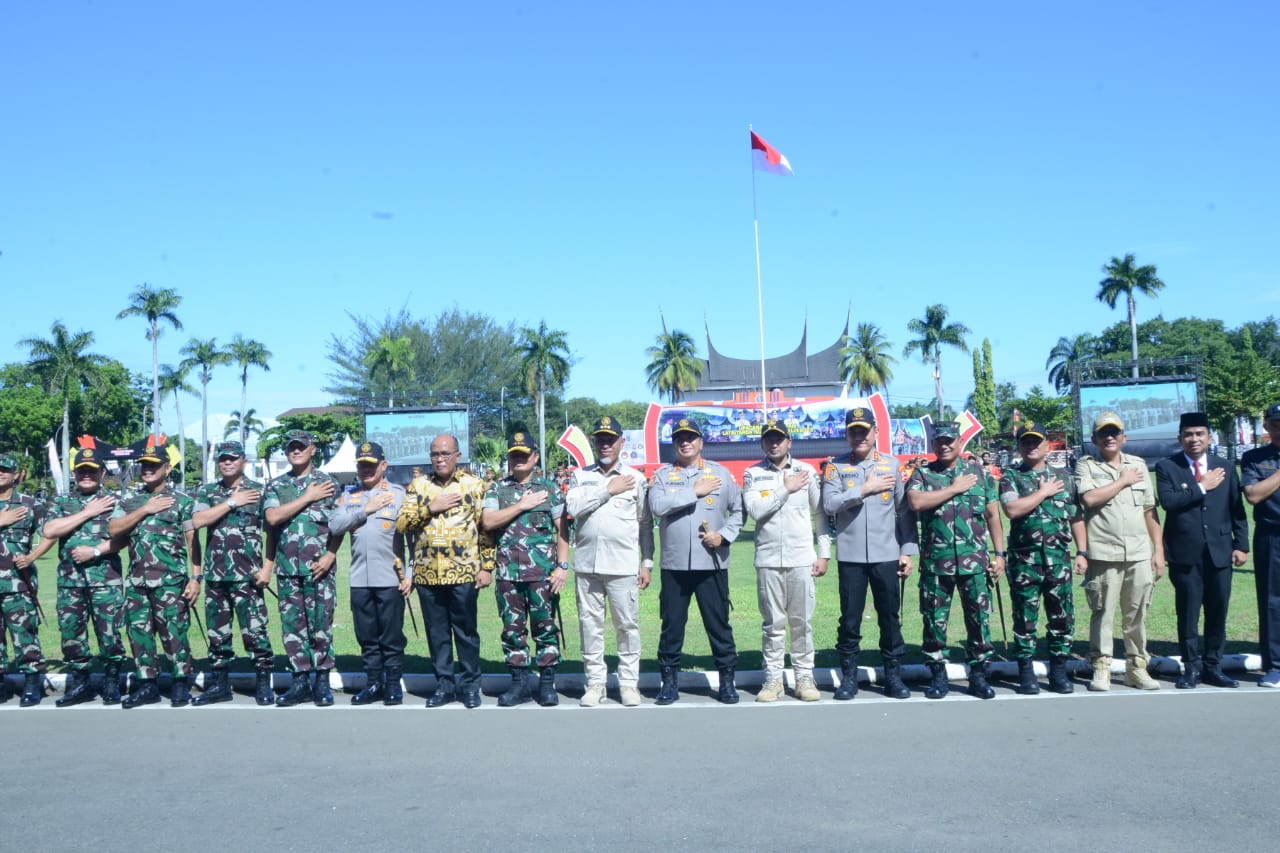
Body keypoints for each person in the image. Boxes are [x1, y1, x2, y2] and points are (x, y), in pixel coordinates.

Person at [821, 407, 916, 701]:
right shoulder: (835, 468)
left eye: (864, 430)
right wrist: (864, 489)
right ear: (847, 434)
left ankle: (893, 676)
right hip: (850, 558)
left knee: (889, 617)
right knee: (850, 619)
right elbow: (830, 505)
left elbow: (904, 513)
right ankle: (849, 677)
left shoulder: (891, 464)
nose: (859, 436)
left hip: (886, 554)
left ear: (875, 432)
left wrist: (908, 551)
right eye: (854, 431)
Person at [907, 421, 1006, 700]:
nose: (945, 445)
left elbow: (992, 516)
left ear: (960, 442)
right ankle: (938, 675)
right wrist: (953, 488)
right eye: (939, 441)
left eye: (950, 440)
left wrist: (999, 555)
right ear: (933, 444)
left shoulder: (978, 474)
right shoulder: (923, 474)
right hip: (936, 563)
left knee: (979, 620)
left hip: (974, 562)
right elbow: (915, 503)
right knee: (934, 621)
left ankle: (978, 675)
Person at [648, 418, 744, 705]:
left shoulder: (721, 474)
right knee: (672, 625)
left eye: (691, 437)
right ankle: (669, 681)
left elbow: (738, 512)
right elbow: (657, 506)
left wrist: (724, 536)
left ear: (701, 442)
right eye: (679, 438)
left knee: (719, 624)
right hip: (674, 566)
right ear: (674, 443)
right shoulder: (663, 475)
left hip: (711, 563)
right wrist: (695, 492)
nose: (685, 442)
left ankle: (727, 680)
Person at [396, 434, 493, 709]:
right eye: (435, 454)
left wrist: (487, 566)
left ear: (457, 456)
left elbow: (485, 529)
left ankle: (471, 686)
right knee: (437, 633)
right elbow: (402, 524)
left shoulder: (474, 486)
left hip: (463, 573)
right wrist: (431, 508)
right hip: (428, 575)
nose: (440, 459)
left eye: (445, 454)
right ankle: (444, 686)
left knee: (466, 632)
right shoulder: (418, 485)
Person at [1154, 412, 1249, 689]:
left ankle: (1214, 666)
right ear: (1179, 438)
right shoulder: (1167, 467)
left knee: (1218, 610)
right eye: (1188, 434)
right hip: (1185, 553)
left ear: (1209, 437)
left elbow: (1236, 509)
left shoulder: (1225, 467)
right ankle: (1191, 668)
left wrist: (1241, 544)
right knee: (1188, 613)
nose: (1193, 439)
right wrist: (1201, 486)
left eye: (1199, 434)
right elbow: (1169, 502)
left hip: (1220, 550)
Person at [565, 416, 653, 707]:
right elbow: (574, 507)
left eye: (610, 439)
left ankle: (628, 683)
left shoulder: (636, 479)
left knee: (626, 626)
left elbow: (644, 523)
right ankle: (596, 683)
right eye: (600, 439)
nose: (605, 445)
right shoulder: (581, 475)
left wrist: (647, 562)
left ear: (621, 443)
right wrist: (608, 489)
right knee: (590, 626)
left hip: (622, 566)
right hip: (588, 566)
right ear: (594, 442)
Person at [108, 437, 200, 708]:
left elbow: (192, 541)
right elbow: (114, 529)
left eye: (153, 465)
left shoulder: (181, 500)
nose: (147, 469)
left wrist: (196, 578)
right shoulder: (129, 500)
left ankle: (180, 683)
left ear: (167, 467)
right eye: (143, 465)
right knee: (139, 633)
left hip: (170, 582)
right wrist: (145, 509)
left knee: (174, 633)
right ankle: (146, 684)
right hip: (137, 582)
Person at [1076, 412, 1164, 691]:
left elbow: (1150, 511)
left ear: (1124, 437)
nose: (1110, 437)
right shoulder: (1086, 466)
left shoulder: (1138, 465)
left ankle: (1136, 668)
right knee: (1102, 612)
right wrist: (1123, 480)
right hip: (1103, 553)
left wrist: (1158, 550)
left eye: (1115, 432)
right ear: (1095, 439)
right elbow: (1089, 498)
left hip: (1138, 553)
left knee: (1137, 614)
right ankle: (1101, 667)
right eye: (1104, 433)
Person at [743, 419, 830, 702]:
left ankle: (804, 677)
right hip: (768, 559)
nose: (774, 443)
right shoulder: (753, 474)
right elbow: (756, 510)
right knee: (772, 624)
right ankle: (773, 679)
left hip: (802, 558)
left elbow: (819, 515)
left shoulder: (805, 472)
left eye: (779, 438)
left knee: (801, 622)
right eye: (768, 438)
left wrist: (824, 552)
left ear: (789, 442)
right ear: (762, 443)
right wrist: (785, 488)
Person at [482, 432, 570, 707]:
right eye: (513, 454)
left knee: (545, 628)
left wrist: (562, 567)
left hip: (543, 575)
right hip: (508, 574)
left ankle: (546, 684)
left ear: (535, 457)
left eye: (523, 454)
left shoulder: (550, 489)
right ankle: (519, 685)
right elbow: (488, 521)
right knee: (512, 630)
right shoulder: (497, 489)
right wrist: (521, 505)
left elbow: (563, 531)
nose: (518, 459)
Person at [999, 426, 1087, 695]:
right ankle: (1026, 673)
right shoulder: (1011, 477)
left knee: (1062, 618)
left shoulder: (1065, 478)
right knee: (1025, 620)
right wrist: (1043, 493)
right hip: (1025, 562)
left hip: (1059, 560)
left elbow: (1075, 517)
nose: (1031, 447)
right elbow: (1012, 509)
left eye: (1036, 442)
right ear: (1019, 447)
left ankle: (1058, 672)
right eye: (1026, 443)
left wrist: (1082, 552)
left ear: (1047, 445)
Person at [188, 440, 275, 706]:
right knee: (218, 636)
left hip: (248, 577)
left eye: (233, 458)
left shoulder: (259, 491)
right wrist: (231, 502)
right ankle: (220, 685)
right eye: (223, 459)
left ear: (243, 462)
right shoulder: (208, 492)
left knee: (256, 632)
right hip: (216, 577)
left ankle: (263, 684)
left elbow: (273, 530)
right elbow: (198, 521)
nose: (227, 462)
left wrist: (268, 568)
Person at [43, 447, 127, 706]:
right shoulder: (61, 503)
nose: (86, 476)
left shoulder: (114, 502)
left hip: (105, 580)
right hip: (70, 581)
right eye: (82, 471)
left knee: (109, 633)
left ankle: (112, 681)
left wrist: (94, 550)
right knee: (71, 633)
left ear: (102, 473)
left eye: (92, 471)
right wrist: (87, 512)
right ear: (74, 473)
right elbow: (49, 530)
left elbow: (123, 538)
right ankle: (81, 683)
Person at [263, 429, 340, 707]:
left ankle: (321, 681)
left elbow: (339, 525)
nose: (296, 451)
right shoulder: (276, 486)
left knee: (321, 625)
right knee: (292, 627)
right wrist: (307, 497)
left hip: (319, 568)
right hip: (287, 570)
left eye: (301, 447)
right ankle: (299, 681)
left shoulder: (328, 483)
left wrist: (331, 554)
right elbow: (273, 518)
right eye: (291, 448)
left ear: (312, 449)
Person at [329, 441, 410, 705]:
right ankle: (373, 683)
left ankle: (393, 684)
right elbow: (335, 525)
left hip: (390, 578)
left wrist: (410, 575)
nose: (366, 470)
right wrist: (366, 509)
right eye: (362, 465)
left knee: (391, 636)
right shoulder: (348, 496)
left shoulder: (398, 494)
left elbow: (414, 539)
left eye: (371, 465)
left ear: (383, 466)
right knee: (367, 636)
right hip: (359, 579)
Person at [0, 452, 55, 706]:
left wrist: (32, 556)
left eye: (5, 470)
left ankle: (32, 682)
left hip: (18, 584)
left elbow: (51, 532)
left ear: (14, 476)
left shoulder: (29, 504)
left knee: (24, 634)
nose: (0, 473)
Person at [1242, 402, 1280, 687]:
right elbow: (1254, 495)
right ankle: (1276, 665)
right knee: (1272, 602)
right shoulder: (1255, 457)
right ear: (1267, 427)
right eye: (1276, 424)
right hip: (1271, 535)